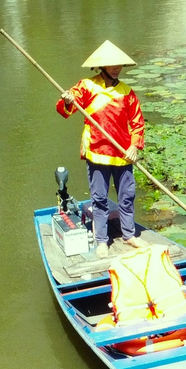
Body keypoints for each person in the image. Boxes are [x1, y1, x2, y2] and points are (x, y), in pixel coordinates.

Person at [56, 40, 147, 257]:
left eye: (119, 65)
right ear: (102, 66)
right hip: (97, 150)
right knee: (99, 198)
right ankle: (101, 241)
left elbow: (137, 123)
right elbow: (67, 109)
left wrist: (134, 146)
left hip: (122, 153)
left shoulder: (127, 92)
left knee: (126, 195)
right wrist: (68, 100)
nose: (117, 69)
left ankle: (128, 234)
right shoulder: (86, 86)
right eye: (112, 65)